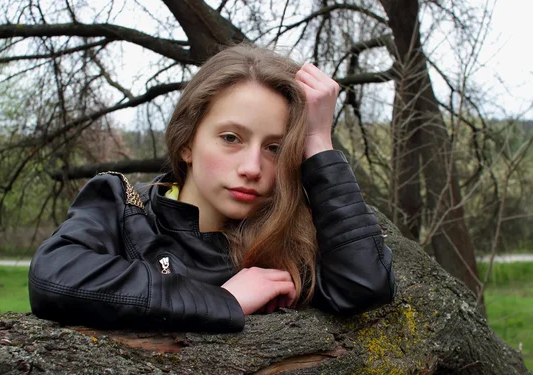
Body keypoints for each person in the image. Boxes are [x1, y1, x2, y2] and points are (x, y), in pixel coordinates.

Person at [28, 44, 396, 332]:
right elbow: (54, 278)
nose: (252, 168)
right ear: (187, 142)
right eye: (231, 138)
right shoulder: (122, 206)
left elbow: (364, 285)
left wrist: (317, 141)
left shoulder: (290, 241)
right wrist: (222, 301)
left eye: (275, 148)